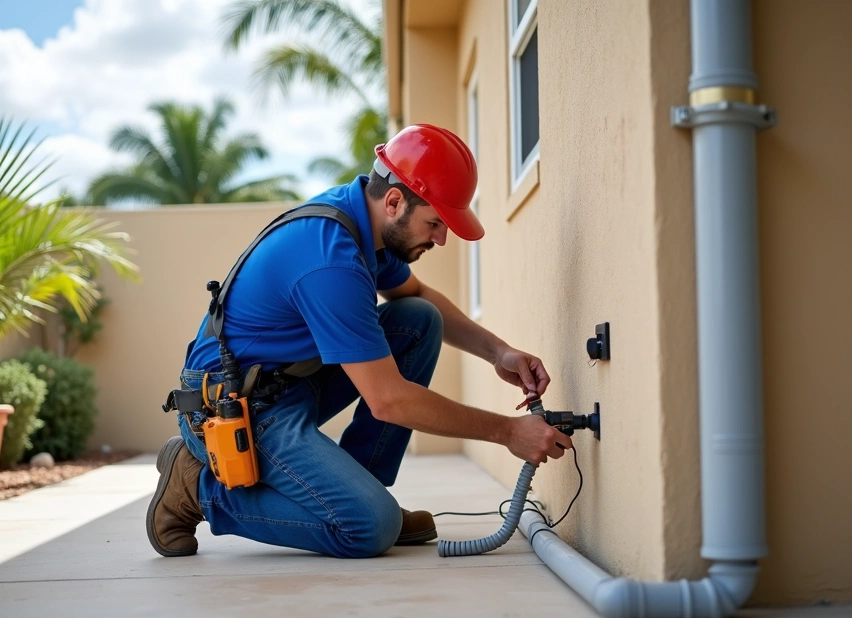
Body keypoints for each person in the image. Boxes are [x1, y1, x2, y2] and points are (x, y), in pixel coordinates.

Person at [147, 123, 572, 559]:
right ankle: (195, 487)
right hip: (235, 406)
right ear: (394, 202)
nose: (442, 238)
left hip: (287, 382)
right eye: (434, 223)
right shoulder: (331, 260)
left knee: (417, 319)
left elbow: (419, 295)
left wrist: (499, 352)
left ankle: (361, 492)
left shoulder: (364, 225)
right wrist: (508, 432)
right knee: (370, 528)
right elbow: (389, 401)